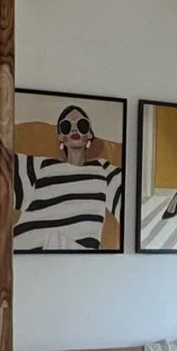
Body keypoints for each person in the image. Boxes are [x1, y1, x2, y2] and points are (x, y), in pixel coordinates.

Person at [14, 103, 123, 251]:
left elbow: (129, 202)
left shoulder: (102, 170)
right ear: (61, 137)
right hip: (28, 248)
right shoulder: (41, 166)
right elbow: (0, 173)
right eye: (66, 126)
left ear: (89, 135)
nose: (74, 129)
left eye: (81, 125)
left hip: (75, 253)